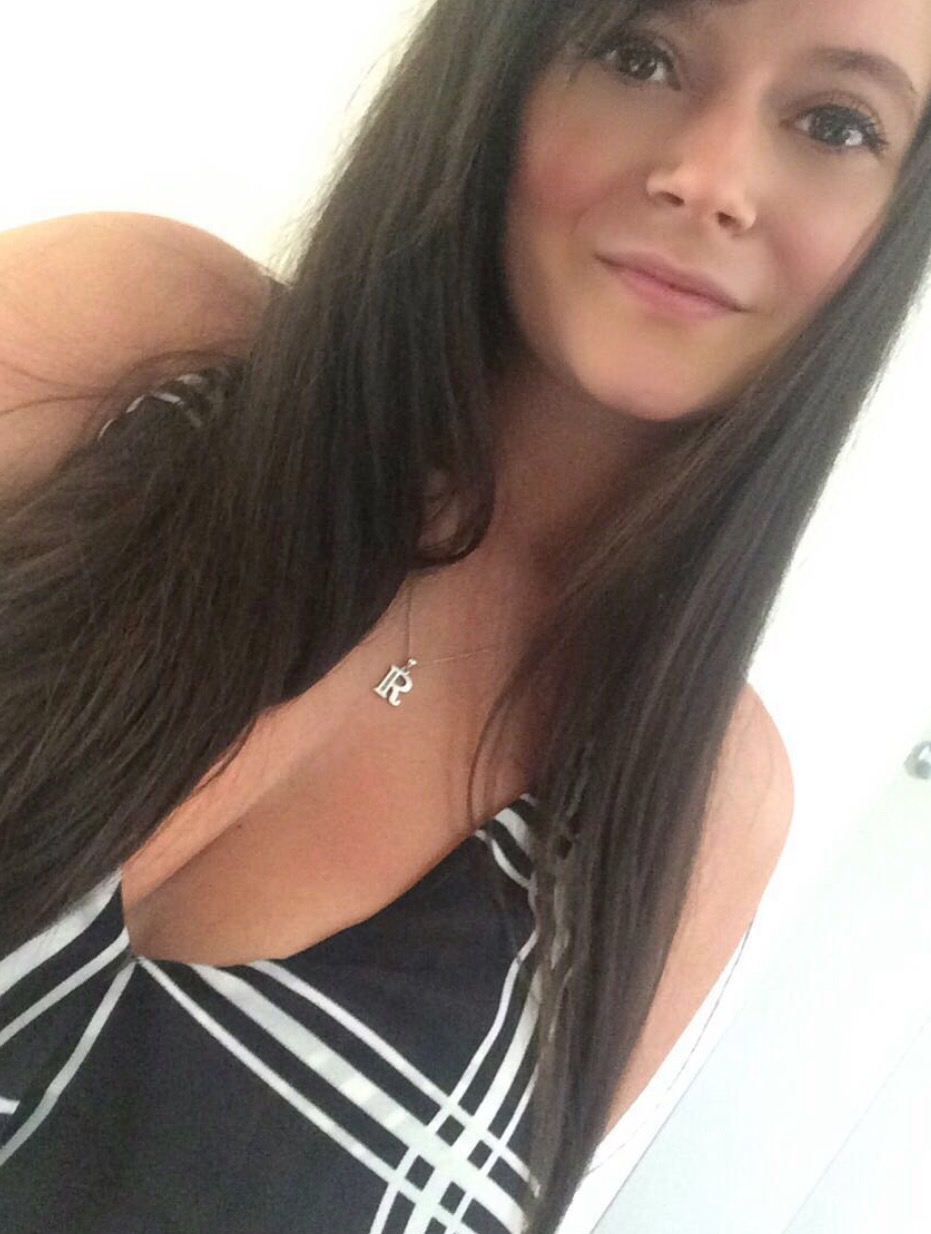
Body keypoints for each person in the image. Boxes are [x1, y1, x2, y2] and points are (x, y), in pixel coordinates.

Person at [1, 0, 928, 1229]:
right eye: (638, 53)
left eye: (834, 123)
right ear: (501, 58)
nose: (710, 181)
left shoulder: (702, 802)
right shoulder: (118, 343)